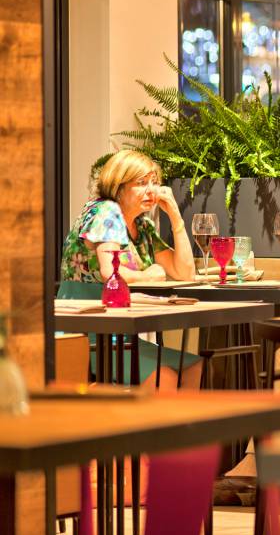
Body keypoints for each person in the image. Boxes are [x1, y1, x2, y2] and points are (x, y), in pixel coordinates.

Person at [59, 149, 201, 388]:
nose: (151, 190)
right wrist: (149, 275)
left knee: (193, 366)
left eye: (154, 182)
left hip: (120, 334)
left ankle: (180, 426)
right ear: (119, 186)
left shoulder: (142, 226)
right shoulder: (105, 211)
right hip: (87, 334)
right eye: (141, 183)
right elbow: (111, 273)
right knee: (163, 377)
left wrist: (176, 218)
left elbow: (185, 273)